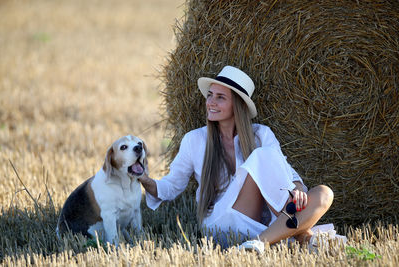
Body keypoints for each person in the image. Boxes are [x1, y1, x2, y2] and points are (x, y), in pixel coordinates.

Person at [139, 65, 336, 251]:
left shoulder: (261, 134)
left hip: (262, 222)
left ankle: (259, 243)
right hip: (221, 225)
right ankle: (302, 236)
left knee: (324, 194)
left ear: (238, 105)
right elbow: (171, 187)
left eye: (220, 97)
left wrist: (298, 188)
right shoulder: (195, 140)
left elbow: (286, 172)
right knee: (261, 156)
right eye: (210, 96)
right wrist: (143, 178)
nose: (211, 102)